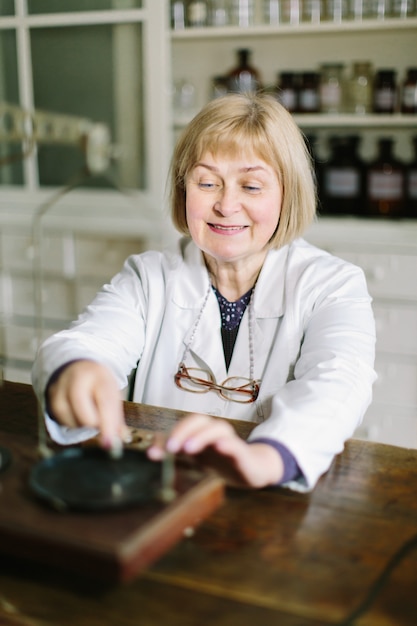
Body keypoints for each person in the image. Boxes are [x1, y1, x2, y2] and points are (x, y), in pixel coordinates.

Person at [32, 93, 376, 493]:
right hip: (158, 488)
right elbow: (87, 341)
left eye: (251, 185)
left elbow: (339, 381)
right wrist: (75, 368)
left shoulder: (333, 284)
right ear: (183, 190)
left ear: (287, 194)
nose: (226, 205)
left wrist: (265, 458)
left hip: (270, 499)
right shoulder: (150, 276)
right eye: (207, 182)